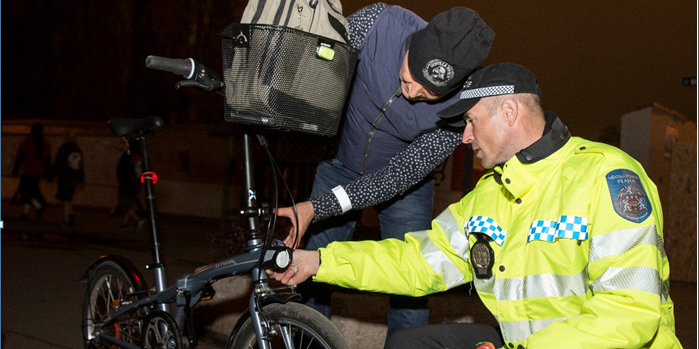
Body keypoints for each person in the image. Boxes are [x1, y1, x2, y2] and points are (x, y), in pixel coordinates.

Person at [271, 63, 682, 348]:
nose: (464, 138)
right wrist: (319, 261)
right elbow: (419, 262)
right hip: (523, 341)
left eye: (470, 121)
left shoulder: (606, 176)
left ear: (508, 111)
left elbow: (629, 312)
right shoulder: (490, 194)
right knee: (409, 342)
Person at [276, 3, 494, 339]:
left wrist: (315, 207)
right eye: (411, 78)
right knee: (312, 268)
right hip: (341, 161)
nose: (413, 93)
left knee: (411, 284)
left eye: (431, 93)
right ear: (411, 44)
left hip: (405, 185)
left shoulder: (458, 110)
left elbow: (393, 178)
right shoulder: (378, 24)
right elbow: (323, 64)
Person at [11, 122, 52, 221]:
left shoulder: (27, 142)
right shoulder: (45, 143)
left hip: (28, 171)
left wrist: (15, 170)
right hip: (38, 173)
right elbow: (48, 160)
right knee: (31, 192)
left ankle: (38, 206)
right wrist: (46, 173)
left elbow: (20, 158)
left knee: (26, 194)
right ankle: (25, 212)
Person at [48, 132, 85, 227]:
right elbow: (81, 167)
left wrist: (51, 176)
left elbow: (57, 163)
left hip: (65, 177)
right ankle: (71, 215)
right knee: (69, 198)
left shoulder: (63, 150)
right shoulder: (78, 151)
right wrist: (81, 179)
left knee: (65, 199)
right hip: (74, 178)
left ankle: (65, 220)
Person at [116, 140, 146, 232]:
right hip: (137, 183)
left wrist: (121, 179)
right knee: (130, 203)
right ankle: (123, 225)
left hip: (127, 182)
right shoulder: (140, 156)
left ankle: (137, 219)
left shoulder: (127, 156)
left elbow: (121, 169)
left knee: (124, 202)